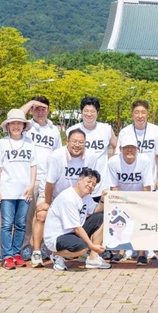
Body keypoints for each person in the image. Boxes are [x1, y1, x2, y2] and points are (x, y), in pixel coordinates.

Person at [32, 129, 97, 266]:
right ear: (67, 141)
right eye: (74, 141)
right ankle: (37, 252)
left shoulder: (91, 157)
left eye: (81, 142)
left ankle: (73, 249)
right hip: (52, 192)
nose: (77, 145)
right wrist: (47, 203)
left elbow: (89, 181)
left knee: (86, 218)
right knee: (42, 215)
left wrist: (87, 201)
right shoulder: (56, 156)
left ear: (85, 143)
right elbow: (50, 182)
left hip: (74, 196)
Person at [0, 109, 37, 270]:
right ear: (8, 126)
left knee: (21, 224)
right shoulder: (2, 143)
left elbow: (33, 166)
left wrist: (31, 186)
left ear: (24, 125)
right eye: (13, 123)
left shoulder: (29, 143)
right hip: (7, 191)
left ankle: (17, 253)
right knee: (7, 224)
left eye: (19, 123)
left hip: (24, 192)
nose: (16, 126)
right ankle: (7, 255)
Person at [19, 96, 62, 264]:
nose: (40, 112)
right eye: (36, 108)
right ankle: (24, 247)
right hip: (29, 179)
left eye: (43, 108)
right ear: (31, 110)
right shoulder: (26, 127)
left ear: (48, 110)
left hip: (47, 179)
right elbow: (15, 115)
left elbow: (58, 155)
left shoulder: (54, 130)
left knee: (43, 214)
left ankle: (43, 246)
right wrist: (30, 103)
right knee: (26, 216)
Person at [43, 168, 110, 271]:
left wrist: (102, 200)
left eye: (93, 184)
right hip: (57, 237)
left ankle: (93, 258)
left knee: (100, 218)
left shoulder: (86, 196)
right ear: (79, 180)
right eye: (88, 181)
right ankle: (56, 254)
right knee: (83, 248)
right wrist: (92, 246)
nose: (90, 186)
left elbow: (95, 210)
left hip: (72, 232)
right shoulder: (68, 198)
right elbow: (76, 228)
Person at [108, 134, 155, 265]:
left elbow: (147, 186)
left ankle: (141, 253)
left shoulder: (145, 160)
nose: (129, 150)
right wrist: (121, 204)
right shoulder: (113, 161)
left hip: (140, 196)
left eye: (132, 147)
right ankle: (120, 251)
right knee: (120, 220)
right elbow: (113, 187)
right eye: (126, 147)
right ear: (121, 149)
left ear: (137, 149)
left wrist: (141, 205)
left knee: (141, 220)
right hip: (122, 197)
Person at [66, 97, 117, 201]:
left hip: (101, 185)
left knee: (100, 211)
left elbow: (116, 146)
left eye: (92, 111)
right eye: (86, 111)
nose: (89, 114)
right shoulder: (72, 130)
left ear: (98, 113)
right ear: (81, 112)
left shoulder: (106, 129)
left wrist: (112, 163)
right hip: (79, 185)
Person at [117, 99, 158, 189]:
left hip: (151, 181)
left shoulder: (155, 130)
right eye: (136, 112)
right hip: (130, 182)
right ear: (132, 114)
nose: (140, 116)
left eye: (143, 112)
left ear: (148, 114)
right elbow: (118, 156)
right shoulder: (125, 132)